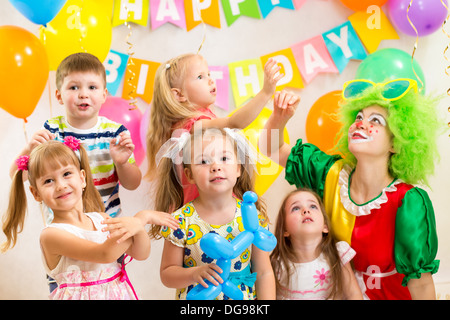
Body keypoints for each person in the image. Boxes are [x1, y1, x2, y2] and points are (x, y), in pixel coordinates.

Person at [259, 79, 441, 300]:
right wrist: (280, 117)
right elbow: (270, 148)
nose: (361, 124)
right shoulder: (328, 174)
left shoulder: (408, 201)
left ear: (396, 144)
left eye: (376, 120)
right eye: (358, 117)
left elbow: (420, 285)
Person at [1, 138, 175, 299]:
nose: (61, 185)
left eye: (67, 174)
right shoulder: (51, 235)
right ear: (36, 193)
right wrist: (140, 219)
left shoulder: (101, 219)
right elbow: (105, 253)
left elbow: (140, 253)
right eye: (48, 181)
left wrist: (137, 229)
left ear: (82, 178)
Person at [9, 52, 142, 219]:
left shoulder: (115, 134)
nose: (83, 94)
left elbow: (133, 184)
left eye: (92, 87)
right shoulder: (52, 131)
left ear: (104, 95)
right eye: (74, 87)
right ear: (59, 96)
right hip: (64, 224)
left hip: (107, 221)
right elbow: (16, 177)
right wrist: (29, 149)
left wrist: (122, 164)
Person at [145, 53, 284, 204]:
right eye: (200, 77)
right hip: (208, 207)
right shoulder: (194, 125)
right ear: (179, 95)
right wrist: (265, 93)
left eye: (209, 74)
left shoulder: (197, 119)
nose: (211, 80)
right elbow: (235, 123)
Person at [155, 127, 275, 299]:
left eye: (224, 158)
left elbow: (263, 273)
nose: (216, 166)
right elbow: (167, 274)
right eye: (203, 161)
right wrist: (193, 274)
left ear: (238, 169)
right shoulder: (180, 221)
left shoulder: (251, 217)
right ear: (189, 175)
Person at [270, 188, 362, 300]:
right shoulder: (278, 264)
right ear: (284, 229)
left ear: (325, 226)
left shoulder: (337, 254)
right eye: (296, 208)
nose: (305, 210)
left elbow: (353, 295)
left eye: (313, 206)